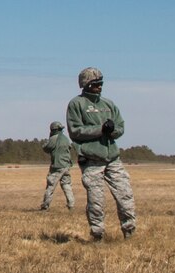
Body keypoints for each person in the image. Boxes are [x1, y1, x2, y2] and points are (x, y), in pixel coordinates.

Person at [67, 67, 136, 240]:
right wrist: (100, 130)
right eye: (95, 83)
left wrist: (112, 131)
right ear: (85, 84)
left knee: (125, 196)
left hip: (113, 159)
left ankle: (129, 232)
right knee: (96, 202)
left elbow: (120, 127)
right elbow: (75, 131)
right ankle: (97, 235)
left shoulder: (108, 104)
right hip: (91, 161)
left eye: (101, 83)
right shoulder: (76, 104)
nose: (99, 86)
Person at [39, 120, 76, 210]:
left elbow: (46, 148)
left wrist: (49, 138)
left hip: (57, 166)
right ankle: (71, 205)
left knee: (50, 186)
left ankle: (45, 206)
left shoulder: (53, 138)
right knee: (66, 185)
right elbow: (69, 147)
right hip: (66, 166)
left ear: (53, 130)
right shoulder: (65, 138)